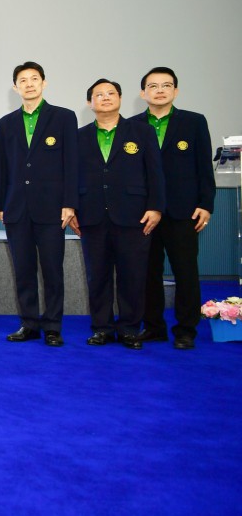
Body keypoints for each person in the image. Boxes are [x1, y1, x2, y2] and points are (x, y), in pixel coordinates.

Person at [73, 79, 164, 350]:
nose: (105, 98)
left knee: (132, 275)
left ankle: (129, 329)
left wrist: (156, 207)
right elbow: (69, 177)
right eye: (98, 95)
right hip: (91, 215)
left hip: (134, 216)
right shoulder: (78, 136)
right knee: (97, 276)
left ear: (120, 98)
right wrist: (71, 207)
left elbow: (155, 173)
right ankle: (101, 328)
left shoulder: (142, 132)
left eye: (111, 93)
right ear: (89, 103)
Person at [131, 66, 215, 350]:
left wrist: (206, 204)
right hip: (144, 213)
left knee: (185, 272)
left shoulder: (193, 122)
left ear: (175, 91)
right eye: (153, 86)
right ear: (143, 93)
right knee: (147, 273)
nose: (159, 91)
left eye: (166, 85)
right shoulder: (132, 125)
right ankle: (153, 327)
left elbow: (204, 167)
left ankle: (186, 330)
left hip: (184, 211)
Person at [0, 61, 78, 347]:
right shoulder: (5, 123)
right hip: (17, 208)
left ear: (44, 83)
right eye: (23, 80)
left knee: (53, 270)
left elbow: (71, 163)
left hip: (52, 208)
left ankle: (53, 326)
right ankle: (29, 323)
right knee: (23, 270)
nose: (29, 84)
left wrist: (69, 203)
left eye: (34, 79)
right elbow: (2, 168)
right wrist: (0, 204)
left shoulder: (64, 117)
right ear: (15, 87)